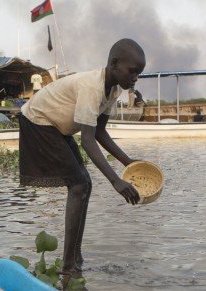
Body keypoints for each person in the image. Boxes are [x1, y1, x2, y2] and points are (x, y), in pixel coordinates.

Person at [18, 39, 143, 276]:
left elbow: (99, 132)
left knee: (84, 184)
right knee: (78, 185)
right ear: (114, 64)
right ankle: (68, 265)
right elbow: (86, 140)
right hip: (38, 120)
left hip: (57, 127)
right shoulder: (92, 87)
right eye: (132, 71)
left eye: (139, 73)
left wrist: (128, 162)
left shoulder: (113, 89)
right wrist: (116, 180)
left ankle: (75, 257)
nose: (135, 77)